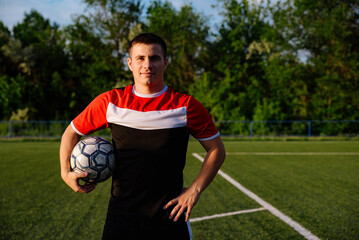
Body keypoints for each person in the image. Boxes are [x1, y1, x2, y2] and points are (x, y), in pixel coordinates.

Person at [59, 33, 225, 240]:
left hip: (169, 218)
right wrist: (66, 173)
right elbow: (71, 132)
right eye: (140, 58)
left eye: (154, 58)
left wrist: (194, 190)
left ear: (165, 63)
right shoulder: (111, 102)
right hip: (121, 217)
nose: (147, 65)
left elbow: (216, 149)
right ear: (130, 63)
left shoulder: (185, 105)